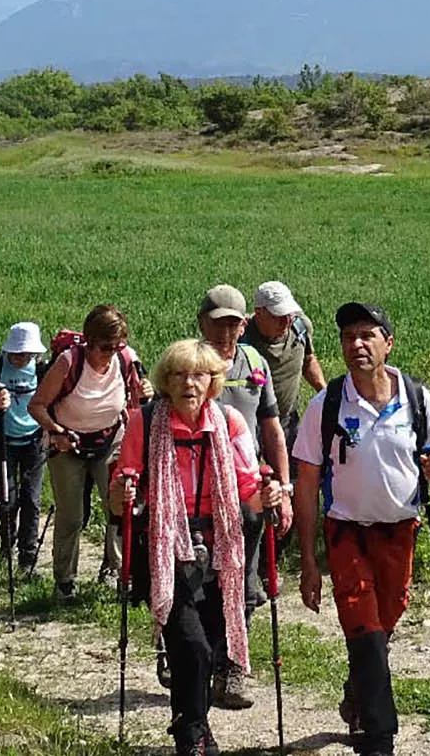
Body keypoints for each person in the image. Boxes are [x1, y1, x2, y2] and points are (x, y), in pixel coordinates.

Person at [292, 302, 430, 756]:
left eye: (367, 335)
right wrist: (308, 558)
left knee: (383, 624)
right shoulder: (326, 404)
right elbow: (306, 483)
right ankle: (380, 737)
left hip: (400, 530)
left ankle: (359, 692)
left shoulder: (417, 398)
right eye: (348, 338)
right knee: (364, 627)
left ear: (388, 343)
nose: (356, 345)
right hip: (346, 531)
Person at [113, 339, 285, 756]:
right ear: (166, 382)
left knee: (207, 647)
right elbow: (121, 489)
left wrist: (269, 493)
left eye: (198, 375)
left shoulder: (229, 423)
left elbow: (247, 486)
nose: (189, 383)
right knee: (190, 645)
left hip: (221, 547)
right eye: (178, 375)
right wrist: (123, 489)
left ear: (213, 381)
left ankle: (195, 725)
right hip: (165, 547)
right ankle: (191, 736)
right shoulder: (145, 421)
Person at [196, 284, 292, 709]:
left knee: (244, 580)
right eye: (218, 323)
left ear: (243, 324)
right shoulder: (187, 363)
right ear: (202, 323)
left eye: (233, 323)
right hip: (195, 491)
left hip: (246, 490)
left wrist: (284, 488)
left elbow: (271, 428)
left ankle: (232, 668)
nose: (226, 332)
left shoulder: (254, 362)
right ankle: (188, 655)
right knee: (199, 578)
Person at [29, 303, 152, 602]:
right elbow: (37, 406)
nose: (110, 353)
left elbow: (137, 404)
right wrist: (56, 432)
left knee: (120, 508)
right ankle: (64, 582)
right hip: (68, 443)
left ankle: (118, 573)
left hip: (110, 439)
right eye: (104, 347)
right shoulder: (68, 363)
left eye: (116, 346)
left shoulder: (126, 359)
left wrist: (144, 393)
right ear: (89, 341)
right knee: (72, 515)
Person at [0, 321, 48, 577]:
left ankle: (27, 557)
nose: (21, 358)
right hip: (2, 439)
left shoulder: (43, 371)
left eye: (27, 354)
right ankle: (6, 542)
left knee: (31, 500)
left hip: (33, 440)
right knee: (7, 498)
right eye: (17, 353)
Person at [241, 280, 326, 450]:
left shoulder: (300, 327)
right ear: (259, 313)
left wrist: (326, 393)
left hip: (287, 420)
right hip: (249, 424)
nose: (286, 322)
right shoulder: (241, 337)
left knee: (293, 474)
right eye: (278, 316)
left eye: (289, 314)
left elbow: (308, 361)